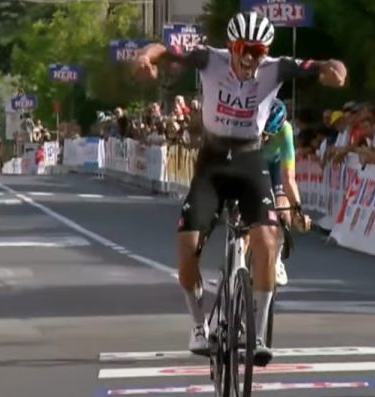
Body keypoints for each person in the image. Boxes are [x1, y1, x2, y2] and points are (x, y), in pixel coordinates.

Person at [132, 11, 346, 365]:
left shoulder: (276, 68)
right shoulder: (209, 59)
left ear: (266, 51)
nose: (249, 58)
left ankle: (258, 334)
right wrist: (145, 58)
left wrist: (337, 71)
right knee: (187, 247)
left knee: (267, 240)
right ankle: (198, 326)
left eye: (257, 51)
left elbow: (324, 65)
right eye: (242, 49)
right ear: (231, 46)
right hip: (212, 163)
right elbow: (164, 50)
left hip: (249, 161)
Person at [261, 98, 311, 287]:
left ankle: (276, 260)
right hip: (251, 164)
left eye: (270, 135)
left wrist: (297, 209)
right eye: (263, 133)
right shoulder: (249, 126)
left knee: (283, 209)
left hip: (273, 167)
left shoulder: (286, 131)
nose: (265, 139)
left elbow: (289, 177)